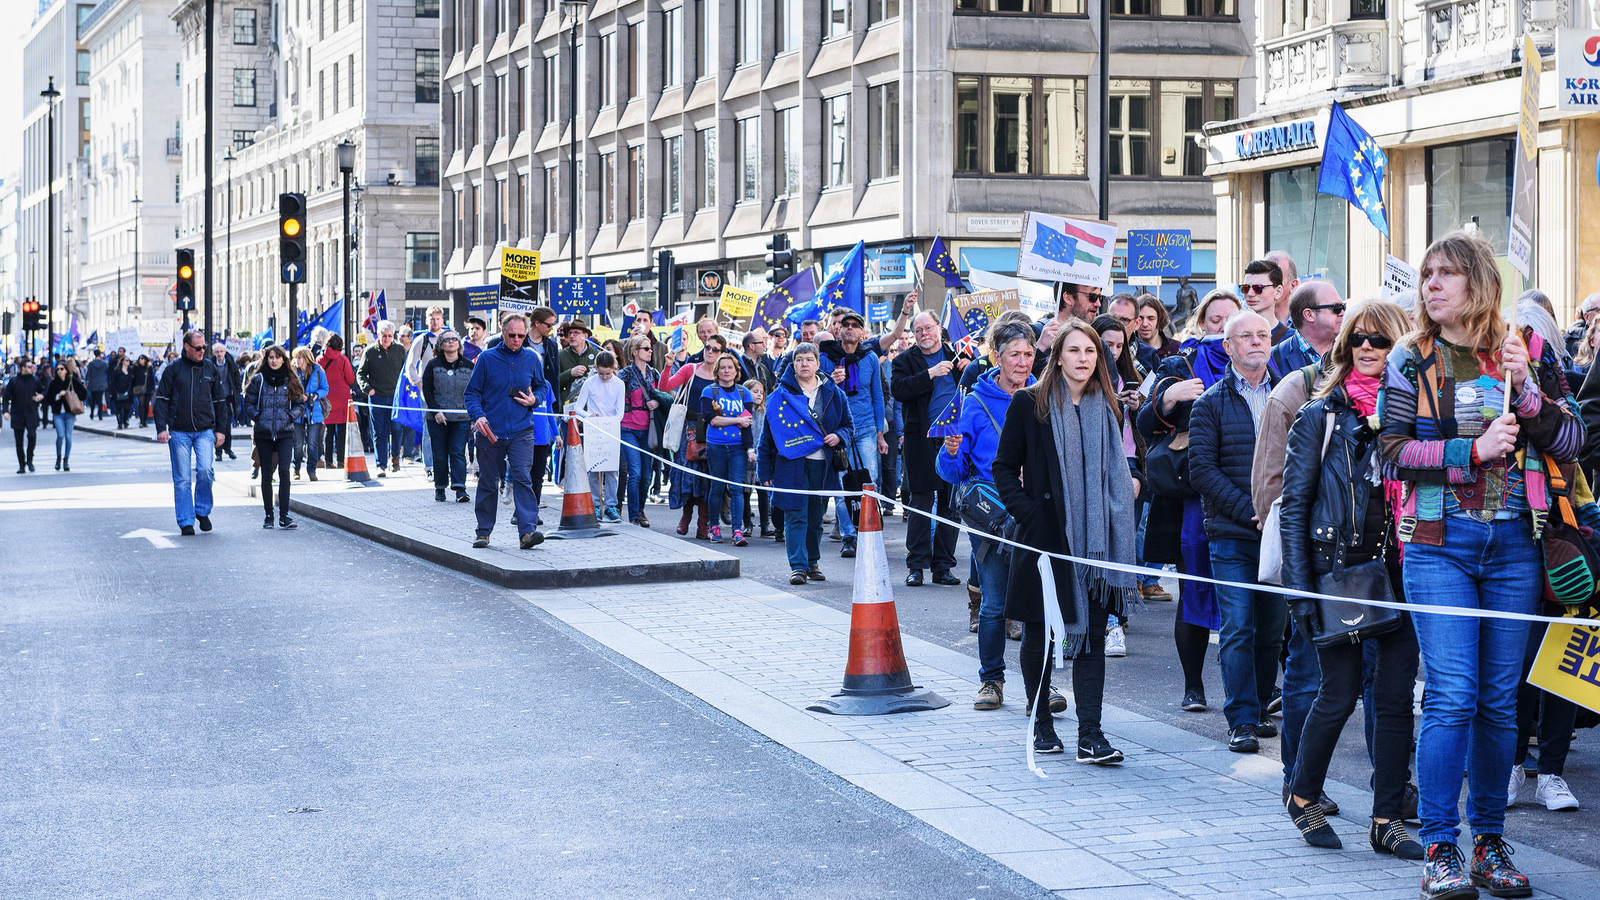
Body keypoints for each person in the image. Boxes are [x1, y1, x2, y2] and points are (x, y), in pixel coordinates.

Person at [1377, 231, 1582, 899]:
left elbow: (1575, 438)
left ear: (1479, 282)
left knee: (1499, 704)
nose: (1431, 284)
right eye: (1427, 275)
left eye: (1446, 274)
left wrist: (1524, 392)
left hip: (1517, 547)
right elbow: (1390, 453)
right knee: (1452, 696)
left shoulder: (1526, 351)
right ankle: (1441, 845)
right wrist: (1469, 451)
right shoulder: (1412, 360)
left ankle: (1490, 842)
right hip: (1439, 544)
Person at [1278, 300, 1421, 857]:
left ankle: (1387, 817)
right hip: (1334, 571)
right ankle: (1302, 794)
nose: (1367, 348)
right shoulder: (1321, 416)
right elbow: (1293, 508)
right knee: (1336, 693)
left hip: (1401, 570)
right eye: (1358, 338)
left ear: (1399, 349)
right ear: (1343, 347)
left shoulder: (1411, 417)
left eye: (1381, 341)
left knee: (1393, 699)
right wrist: (1300, 589)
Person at [993, 319, 1136, 765]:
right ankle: (1041, 725)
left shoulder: (1108, 409)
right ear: (1057, 357)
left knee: (1091, 635)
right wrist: (1030, 514)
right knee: (1039, 634)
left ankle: (1090, 735)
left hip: (1096, 546)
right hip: (1045, 541)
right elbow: (1003, 468)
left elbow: (1121, 470)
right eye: (1074, 351)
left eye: (1091, 352)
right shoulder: (1030, 404)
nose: (1083, 359)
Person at [1138, 289, 1244, 713]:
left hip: (1245, 494)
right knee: (1193, 593)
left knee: (1250, 599)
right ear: (1202, 324)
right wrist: (1170, 396)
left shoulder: (1260, 363)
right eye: (1214, 319)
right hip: (1190, 502)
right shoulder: (1174, 363)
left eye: (1229, 319)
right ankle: (1194, 686)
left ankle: (1256, 691)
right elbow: (1145, 422)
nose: (1221, 327)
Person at [1189, 309, 1283, 754]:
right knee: (1239, 627)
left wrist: (1278, 514)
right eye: (1245, 336)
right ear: (1227, 346)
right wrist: (1252, 512)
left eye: (1262, 334)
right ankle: (1242, 718)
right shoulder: (1210, 403)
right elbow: (1203, 471)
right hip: (1232, 533)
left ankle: (1261, 705)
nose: (1256, 342)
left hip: (1280, 533)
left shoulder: (1292, 394)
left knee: (1271, 628)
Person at [937, 323, 1036, 711]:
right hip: (990, 515)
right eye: (1015, 354)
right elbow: (952, 473)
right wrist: (949, 450)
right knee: (995, 603)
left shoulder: (1042, 396)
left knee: (1035, 604)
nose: (1023, 362)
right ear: (996, 356)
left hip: (1033, 512)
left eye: (1028, 354)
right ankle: (991, 681)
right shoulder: (972, 403)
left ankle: (1040, 685)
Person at [758, 342, 853, 585]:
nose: (804, 364)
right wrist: (764, 468)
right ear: (793, 364)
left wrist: (839, 436)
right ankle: (798, 567)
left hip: (823, 465)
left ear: (818, 364)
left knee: (815, 518)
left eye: (809, 359)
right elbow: (768, 436)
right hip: (791, 463)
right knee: (795, 515)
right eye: (799, 359)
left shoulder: (834, 392)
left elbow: (849, 427)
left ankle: (812, 562)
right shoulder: (780, 396)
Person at [890, 311, 965, 587]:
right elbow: (899, 389)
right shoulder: (904, 361)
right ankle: (917, 565)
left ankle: (943, 566)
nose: (924, 334)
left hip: (954, 439)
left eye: (928, 328)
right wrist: (930, 373)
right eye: (918, 330)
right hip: (921, 438)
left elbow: (980, 380)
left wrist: (969, 368)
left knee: (950, 504)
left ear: (938, 328)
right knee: (921, 502)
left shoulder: (958, 355)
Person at [463, 313, 549, 550]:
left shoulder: (531, 358)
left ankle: (527, 532)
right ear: (502, 333)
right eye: (512, 335)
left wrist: (535, 399)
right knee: (489, 481)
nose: (517, 340)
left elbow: (542, 386)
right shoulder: (487, 358)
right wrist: (478, 416)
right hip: (491, 430)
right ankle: (483, 532)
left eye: (521, 336)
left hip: (522, 429)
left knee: (522, 476)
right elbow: (471, 393)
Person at [1091, 314, 1146, 659]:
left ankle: (1115, 622)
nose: (1111, 351)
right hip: (1091, 466)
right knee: (1094, 546)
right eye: (1105, 345)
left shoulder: (1132, 377)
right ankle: (1087, 622)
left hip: (1126, 464)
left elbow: (1146, 434)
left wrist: (1139, 407)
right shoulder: (1083, 379)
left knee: (1122, 546)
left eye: (1117, 345)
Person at [819, 310, 887, 559]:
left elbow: (878, 397)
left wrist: (880, 434)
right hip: (839, 430)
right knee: (842, 484)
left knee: (870, 481)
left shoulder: (869, 357)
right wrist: (830, 382)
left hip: (867, 428)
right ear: (839, 330)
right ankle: (849, 536)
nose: (849, 328)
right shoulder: (826, 358)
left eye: (854, 325)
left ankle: (870, 531)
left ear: (862, 332)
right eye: (845, 325)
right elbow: (818, 394)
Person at [153, 332, 230, 535]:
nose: (202, 351)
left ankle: (202, 511)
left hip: (205, 430)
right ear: (187, 347)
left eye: (204, 347)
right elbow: (161, 399)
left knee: (205, 471)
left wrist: (221, 430)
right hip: (179, 431)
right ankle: (186, 521)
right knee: (183, 479)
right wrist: (161, 428)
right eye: (198, 348)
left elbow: (220, 401)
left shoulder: (210, 368)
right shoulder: (173, 369)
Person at [659, 333, 725, 539]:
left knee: (708, 478)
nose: (710, 352)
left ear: (722, 353)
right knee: (687, 475)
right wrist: (668, 365)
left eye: (715, 349)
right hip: (689, 428)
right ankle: (685, 516)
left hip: (714, 429)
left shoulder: (724, 373)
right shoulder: (691, 368)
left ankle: (703, 524)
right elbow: (664, 387)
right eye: (707, 347)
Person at [242, 345, 309, 529]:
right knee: (266, 474)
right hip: (264, 433)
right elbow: (248, 403)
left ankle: (284, 515)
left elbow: (299, 404)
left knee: (285, 472)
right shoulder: (258, 379)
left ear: (283, 359)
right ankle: (268, 515)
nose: (274, 361)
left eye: (277, 357)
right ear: (267, 358)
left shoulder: (290, 379)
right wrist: (258, 417)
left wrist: (289, 417)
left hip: (284, 432)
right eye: (271, 357)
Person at [699, 353, 755, 545]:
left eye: (730, 367)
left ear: (736, 370)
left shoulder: (744, 393)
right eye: (722, 367)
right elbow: (713, 420)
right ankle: (713, 527)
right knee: (717, 486)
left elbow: (748, 424)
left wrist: (750, 449)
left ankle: (737, 530)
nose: (726, 370)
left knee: (737, 489)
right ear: (717, 371)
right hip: (716, 446)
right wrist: (738, 420)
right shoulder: (709, 391)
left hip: (738, 447)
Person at [421, 330, 475, 503]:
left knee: (458, 452)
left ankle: (460, 488)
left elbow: (475, 391)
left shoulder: (468, 366)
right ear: (441, 345)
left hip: (461, 417)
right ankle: (440, 487)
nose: (451, 342)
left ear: (459, 344)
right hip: (438, 418)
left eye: (454, 339)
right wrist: (436, 411)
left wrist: (474, 415)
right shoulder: (432, 365)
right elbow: (427, 391)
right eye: (447, 340)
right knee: (439, 454)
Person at [573, 349, 626, 523]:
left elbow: (620, 412)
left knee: (612, 470)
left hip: (610, 429)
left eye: (608, 373)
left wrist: (611, 423)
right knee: (593, 469)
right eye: (601, 373)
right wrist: (589, 416)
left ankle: (611, 505)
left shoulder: (619, 384)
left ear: (614, 368)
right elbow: (579, 407)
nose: (604, 377)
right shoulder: (590, 382)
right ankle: (596, 504)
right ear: (596, 368)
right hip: (594, 428)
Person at [618, 334, 662, 526]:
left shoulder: (654, 374)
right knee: (634, 472)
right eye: (646, 348)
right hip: (628, 427)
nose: (650, 351)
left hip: (649, 428)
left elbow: (665, 396)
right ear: (635, 352)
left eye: (650, 348)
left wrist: (658, 401)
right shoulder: (625, 374)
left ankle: (641, 509)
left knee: (646, 475)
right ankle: (634, 514)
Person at [357, 322, 407, 475]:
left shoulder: (399, 350)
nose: (387, 339)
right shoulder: (370, 351)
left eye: (390, 336)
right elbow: (361, 373)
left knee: (396, 429)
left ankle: (395, 456)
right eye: (384, 336)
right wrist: (368, 389)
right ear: (378, 335)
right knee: (379, 432)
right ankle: (381, 465)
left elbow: (405, 371)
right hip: (377, 396)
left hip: (395, 397)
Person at [1269, 282, 1345, 377]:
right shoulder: (1274, 359)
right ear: (1309, 314)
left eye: (1343, 307)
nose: (1342, 312)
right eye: (1336, 308)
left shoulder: (1350, 353)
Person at [319, 334, 357, 470]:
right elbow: (351, 379)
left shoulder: (319, 360)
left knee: (328, 430)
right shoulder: (343, 359)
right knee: (342, 430)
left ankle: (328, 460)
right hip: (342, 397)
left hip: (326, 398)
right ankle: (341, 460)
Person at [290, 347, 327, 481]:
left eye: (299, 357)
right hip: (298, 412)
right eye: (295, 357)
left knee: (312, 443)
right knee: (298, 443)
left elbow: (325, 389)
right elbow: (289, 389)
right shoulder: (293, 372)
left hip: (314, 411)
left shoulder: (318, 371)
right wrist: (299, 396)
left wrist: (315, 395)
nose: (297, 360)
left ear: (306, 358)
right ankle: (296, 469)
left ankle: (312, 470)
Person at [2, 358, 45, 473]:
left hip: (31, 414)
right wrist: (5, 411)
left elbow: (43, 391)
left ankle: (30, 460)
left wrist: (41, 397)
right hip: (18, 415)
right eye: (30, 367)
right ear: (23, 368)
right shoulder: (14, 381)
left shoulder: (35, 380)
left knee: (32, 437)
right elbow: (6, 397)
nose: (32, 369)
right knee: (19, 442)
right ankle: (22, 464)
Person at [45, 361, 88, 471]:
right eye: (58, 369)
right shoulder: (53, 383)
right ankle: (58, 457)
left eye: (62, 369)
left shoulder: (72, 381)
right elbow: (48, 398)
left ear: (66, 370)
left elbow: (84, 394)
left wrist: (71, 394)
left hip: (70, 412)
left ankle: (66, 460)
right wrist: (58, 396)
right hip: (58, 413)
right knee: (60, 435)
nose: (59, 371)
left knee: (68, 436)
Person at [1239, 259, 1292, 345]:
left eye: (1258, 288)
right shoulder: (1235, 335)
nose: (1250, 294)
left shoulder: (1292, 340)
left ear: (1278, 292)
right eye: (1245, 288)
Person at [557, 318, 599, 408]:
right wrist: (570, 373)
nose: (572, 336)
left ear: (585, 335)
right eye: (570, 333)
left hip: (591, 407)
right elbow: (554, 382)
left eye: (576, 333)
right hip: (568, 406)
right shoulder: (561, 355)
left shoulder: (596, 355)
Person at [211, 343, 243, 460]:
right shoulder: (210, 364)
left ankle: (228, 448)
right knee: (216, 426)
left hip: (228, 398)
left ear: (225, 352)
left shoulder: (231, 364)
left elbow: (236, 381)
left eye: (221, 351)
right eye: (217, 352)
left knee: (227, 426)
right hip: (214, 399)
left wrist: (237, 393)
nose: (219, 354)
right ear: (214, 353)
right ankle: (218, 452)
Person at [1136, 294, 1181, 360]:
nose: (1145, 324)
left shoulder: (1176, 349)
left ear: (1159, 320)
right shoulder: (1126, 350)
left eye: (1151, 318)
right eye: (1140, 318)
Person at [108, 354, 134, 428]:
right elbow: (112, 381)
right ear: (122, 362)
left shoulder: (131, 371)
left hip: (128, 392)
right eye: (126, 360)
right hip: (118, 391)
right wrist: (112, 391)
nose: (128, 362)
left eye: (129, 360)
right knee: (119, 408)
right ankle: (120, 422)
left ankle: (125, 420)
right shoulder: (117, 371)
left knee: (127, 407)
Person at [86, 349, 109, 419]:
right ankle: (100, 415)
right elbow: (107, 372)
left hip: (93, 383)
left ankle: (92, 414)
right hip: (101, 383)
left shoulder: (91, 364)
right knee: (100, 400)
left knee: (93, 400)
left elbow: (88, 374)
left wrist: (87, 381)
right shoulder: (104, 363)